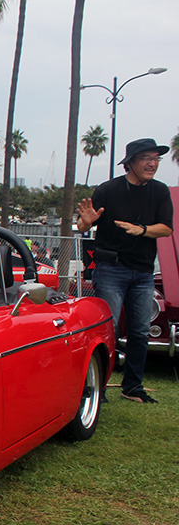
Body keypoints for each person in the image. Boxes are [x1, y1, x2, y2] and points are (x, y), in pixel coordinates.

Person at [76, 138, 174, 404]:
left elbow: (166, 228)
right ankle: (99, 389)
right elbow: (83, 225)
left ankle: (133, 387)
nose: (152, 163)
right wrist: (86, 222)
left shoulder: (160, 191)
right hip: (111, 269)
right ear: (130, 163)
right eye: (146, 158)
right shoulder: (108, 189)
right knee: (107, 329)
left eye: (156, 159)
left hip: (143, 272)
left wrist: (141, 230)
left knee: (140, 331)